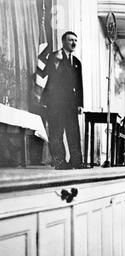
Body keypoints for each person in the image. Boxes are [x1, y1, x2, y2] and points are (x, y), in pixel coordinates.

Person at [41, 31, 84, 170]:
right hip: (56, 102)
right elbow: (49, 77)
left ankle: (76, 162)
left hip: (71, 104)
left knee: (73, 132)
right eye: (71, 40)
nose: (74, 43)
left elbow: (79, 85)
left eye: (75, 40)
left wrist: (80, 104)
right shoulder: (54, 57)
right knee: (56, 132)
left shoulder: (76, 62)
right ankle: (60, 162)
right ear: (63, 41)